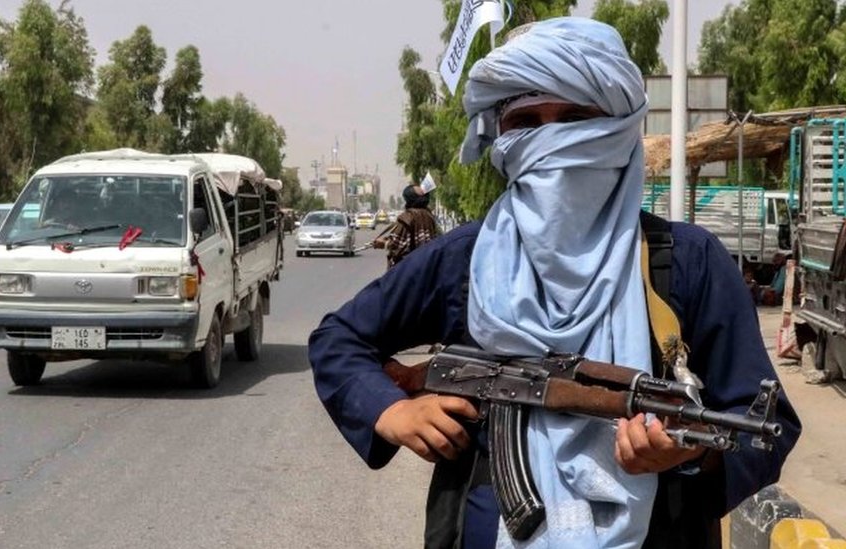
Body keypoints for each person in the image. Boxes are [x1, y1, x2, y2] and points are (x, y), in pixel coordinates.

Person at [308, 17, 800, 549]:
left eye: (574, 118)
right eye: (529, 121)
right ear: (503, 136)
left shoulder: (684, 262)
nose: (552, 141)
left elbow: (764, 424)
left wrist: (693, 455)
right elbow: (339, 339)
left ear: (615, 129)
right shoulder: (467, 258)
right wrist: (393, 409)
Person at [371, 183, 440, 269]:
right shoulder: (429, 216)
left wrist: (383, 243)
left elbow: (398, 246)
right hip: (427, 267)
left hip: (407, 271)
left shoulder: (407, 217)